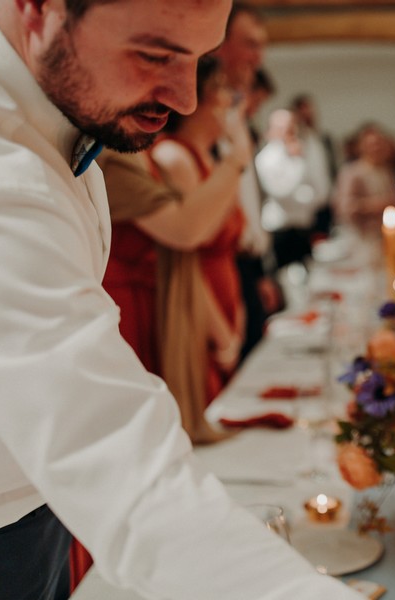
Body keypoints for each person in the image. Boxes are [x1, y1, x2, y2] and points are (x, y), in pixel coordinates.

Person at [0, 0, 363, 598]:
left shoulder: (50, 87)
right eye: (154, 54)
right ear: (37, 9)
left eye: (198, 59)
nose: (187, 99)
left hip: (31, 490)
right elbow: (113, 456)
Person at [150, 58, 246, 406]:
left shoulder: (211, 158)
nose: (231, 100)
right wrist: (221, 333)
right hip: (198, 307)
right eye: (222, 89)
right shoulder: (175, 156)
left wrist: (238, 313)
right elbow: (188, 250)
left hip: (226, 300)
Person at [213, 3, 281, 360]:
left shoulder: (238, 113)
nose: (259, 57)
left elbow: (249, 200)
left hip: (245, 266)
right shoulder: (201, 116)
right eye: (250, 44)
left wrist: (261, 271)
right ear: (218, 42)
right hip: (218, 270)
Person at [256, 108, 325, 267]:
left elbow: (319, 190)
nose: (288, 132)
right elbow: (282, 193)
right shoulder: (267, 158)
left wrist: (303, 197)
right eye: (283, 128)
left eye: (291, 127)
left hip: (303, 226)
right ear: (271, 130)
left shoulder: (301, 150)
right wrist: (298, 162)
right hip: (280, 230)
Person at [333, 123, 395, 236]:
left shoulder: (387, 171)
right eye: (372, 144)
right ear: (361, 146)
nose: (376, 148)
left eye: (379, 143)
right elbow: (344, 208)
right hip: (361, 235)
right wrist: (376, 205)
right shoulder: (352, 172)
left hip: (384, 234)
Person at [291, 94, 336, 236]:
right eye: (303, 112)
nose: (307, 115)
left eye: (310, 111)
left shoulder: (323, 139)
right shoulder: (295, 142)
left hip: (326, 203)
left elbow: (331, 169)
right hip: (306, 205)